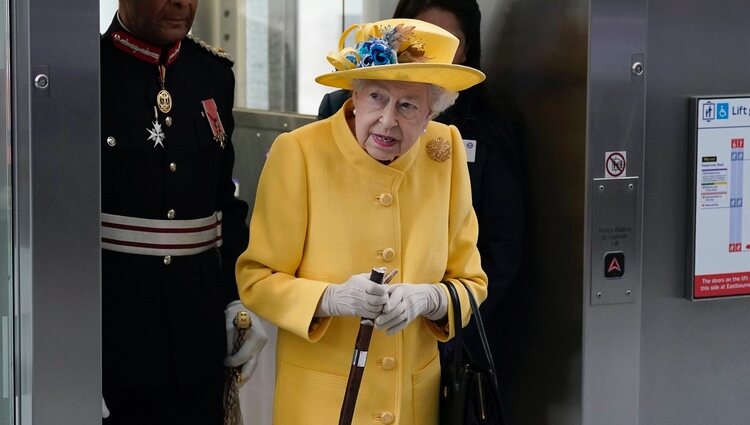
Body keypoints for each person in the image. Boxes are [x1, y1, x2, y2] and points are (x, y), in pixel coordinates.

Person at [236, 18, 487, 425]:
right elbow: (256, 279)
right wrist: (331, 299)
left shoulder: (446, 152)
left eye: (407, 105)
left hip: (412, 406)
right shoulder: (298, 153)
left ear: (430, 114)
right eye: (376, 97)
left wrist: (430, 299)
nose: (387, 120)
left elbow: (472, 284)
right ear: (354, 95)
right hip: (322, 407)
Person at [318, 0, 524, 359]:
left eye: (447, 40)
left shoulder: (487, 126)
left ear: (468, 49)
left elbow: (500, 246)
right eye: (417, 37)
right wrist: (332, 299)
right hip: (343, 330)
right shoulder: (342, 110)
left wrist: (444, 313)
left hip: (440, 341)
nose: (425, 54)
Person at [100, 1, 266, 423]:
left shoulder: (212, 73)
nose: (181, 3)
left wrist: (236, 300)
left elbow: (225, 205)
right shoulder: (86, 72)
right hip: (114, 335)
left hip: (197, 333)